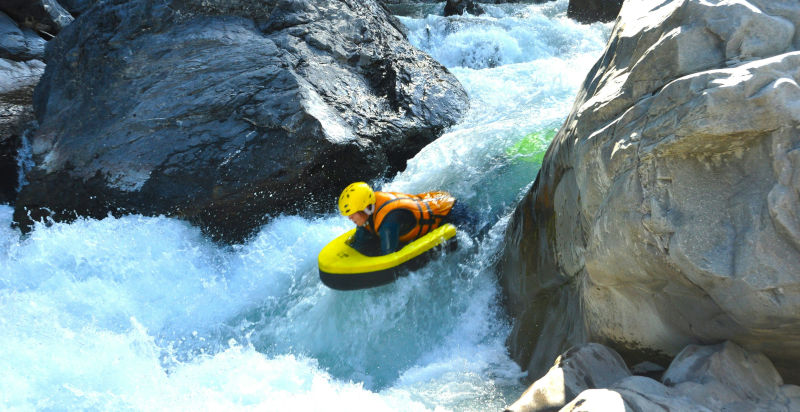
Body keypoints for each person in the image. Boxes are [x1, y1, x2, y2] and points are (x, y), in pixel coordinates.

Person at [337, 182, 478, 256]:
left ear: (364, 207)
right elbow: (360, 241)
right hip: (436, 201)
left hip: (452, 213)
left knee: (480, 239)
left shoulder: (389, 221)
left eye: (352, 214)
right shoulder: (368, 210)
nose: (349, 218)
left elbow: (388, 256)